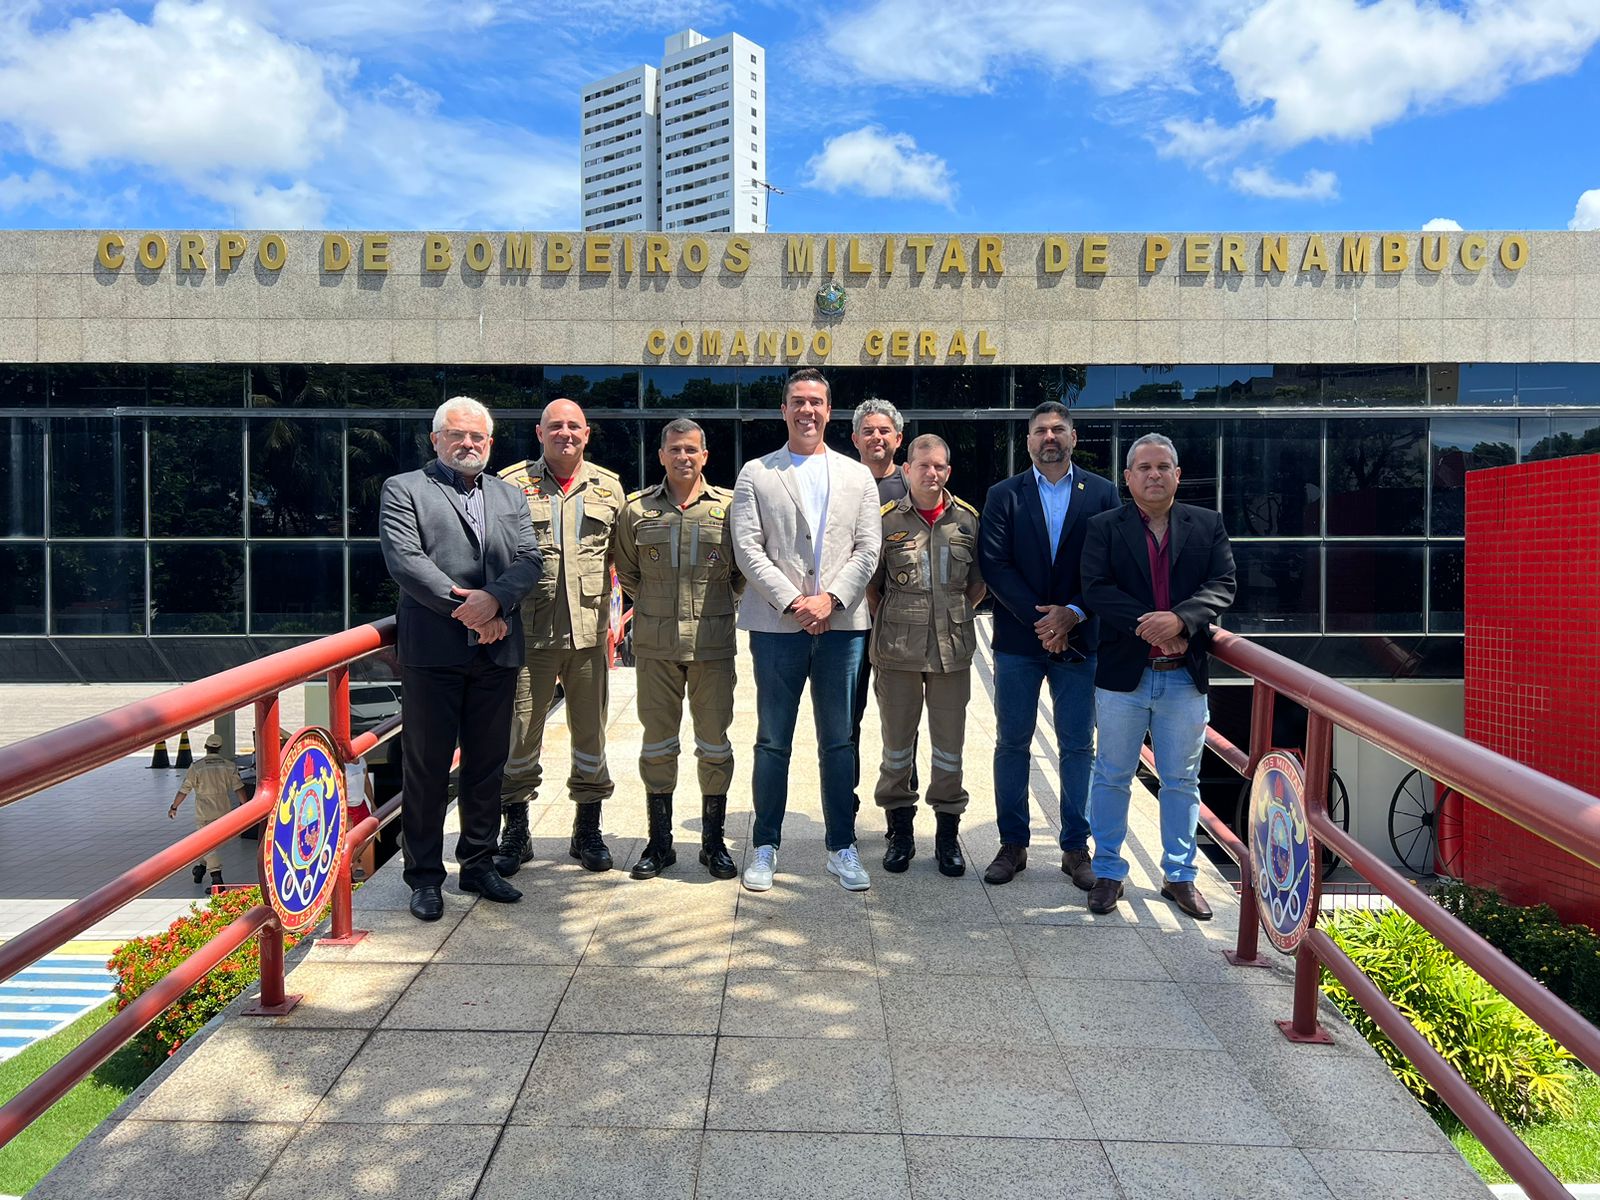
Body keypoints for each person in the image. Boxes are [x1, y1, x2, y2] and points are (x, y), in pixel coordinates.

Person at [378, 395, 541, 921]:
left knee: (487, 765)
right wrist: (471, 608)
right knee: (426, 768)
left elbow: (529, 559)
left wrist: (495, 601)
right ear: (436, 439)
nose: (467, 444)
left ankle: (478, 862)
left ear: (490, 443)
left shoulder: (510, 495)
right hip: (434, 652)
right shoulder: (404, 489)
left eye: (477, 437)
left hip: (497, 649)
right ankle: (425, 877)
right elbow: (407, 562)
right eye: (457, 435)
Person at [730, 367, 882, 892]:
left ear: (829, 410)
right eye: (798, 401)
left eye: (816, 402)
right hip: (777, 626)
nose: (807, 411)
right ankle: (766, 843)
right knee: (773, 740)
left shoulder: (857, 475)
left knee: (838, 740)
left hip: (842, 626)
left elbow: (869, 547)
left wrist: (832, 599)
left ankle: (842, 845)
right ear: (784, 410)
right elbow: (748, 547)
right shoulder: (757, 472)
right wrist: (797, 601)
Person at [1083, 433, 1236, 919]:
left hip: (1182, 678)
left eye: (1162, 466)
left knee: (1181, 781)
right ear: (1127, 478)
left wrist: (1181, 620)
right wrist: (1151, 622)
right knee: (1111, 776)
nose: (1154, 474)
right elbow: (1095, 588)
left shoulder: (1207, 524)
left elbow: (1223, 585)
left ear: (1177, 474)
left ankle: (1180, 876)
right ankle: (1108, 871)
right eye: (1143, 467)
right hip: (1124, 677)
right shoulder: (1104, 526)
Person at [977, 401, 1120, 887]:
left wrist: (1073, 614)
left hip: (1081, 641)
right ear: (1029, 440)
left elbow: (1109, 565)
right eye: (1040, 431)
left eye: (1059, 429)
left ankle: (1076, 848)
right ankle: (1012, 845)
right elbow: (995, 564)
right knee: (1012, 742)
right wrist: (1044, 621)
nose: (1049, 438)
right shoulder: (1003, 494)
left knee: (1079, 745)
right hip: (1019, 640)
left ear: (1074, 438)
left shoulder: (1102, 493)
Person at [495, 399, 625, 874]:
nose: (565, 433)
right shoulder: (511, 486)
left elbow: (621, 562)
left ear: (587, 434)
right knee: (521, 736)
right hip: (530, 637)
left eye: (574, 426)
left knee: (590, 737)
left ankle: (587, 830)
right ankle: (516, 831)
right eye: (556, 426)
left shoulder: (609, 488)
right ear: (539, 432)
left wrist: (617, 620)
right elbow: (497, 558)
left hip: (588, 638)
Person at [611, 418, 744, 881]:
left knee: (714, 746)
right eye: (674, 449)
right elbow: (628, 573)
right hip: (656, 647)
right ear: (662, 455)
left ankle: (712, 843)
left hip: (712, 646)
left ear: (705, 455)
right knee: (658, 746)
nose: (683, 457)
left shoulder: (729, 508)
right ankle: (660, 843)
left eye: (691, 449)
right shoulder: (636, 511)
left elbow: (741, 573)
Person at [866, 434, 985, 876]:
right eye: (922, 466)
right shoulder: (884, 521)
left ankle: (947, 837)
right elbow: (872, 585)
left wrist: (949, 615)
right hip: (897, 649)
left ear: (947, 471)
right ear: (908, 469)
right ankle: (899, 833)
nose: (930, 473)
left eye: (938, 466)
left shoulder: (968, 521)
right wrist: (904, 617)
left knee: (949, 748)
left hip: (951, 651)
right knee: (897, 747)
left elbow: (977, 583)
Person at [849, 397, 910, 805]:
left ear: (899, 438)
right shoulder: (841, 481)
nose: (876, 437)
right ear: (855, 438)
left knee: (902, 725)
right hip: (850, 623)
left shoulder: (913, 484)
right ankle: (844, 805)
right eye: (868, 430)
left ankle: (899, 818)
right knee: (845, 723)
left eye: (884, 430)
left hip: (901, 625)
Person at [168, 733, 247, 888]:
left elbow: (184, 790)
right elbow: (239, 788)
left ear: (206, 747)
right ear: (220, 748)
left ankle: (216, 877)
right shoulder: (229, 766)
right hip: (224, 811)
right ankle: (200, 869)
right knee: (209, 844)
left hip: (204, 812)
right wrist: (246, 807)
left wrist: (174, 807)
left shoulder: (197, 767)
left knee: (206, 843)